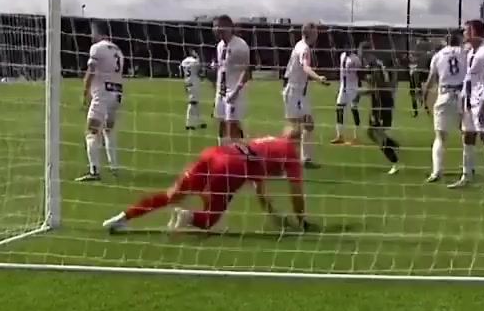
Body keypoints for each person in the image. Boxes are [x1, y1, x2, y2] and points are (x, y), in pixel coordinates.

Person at [101, 127, 315, 233]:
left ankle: (122, 218)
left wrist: (273, 214)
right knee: (210, 219)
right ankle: (187, 216)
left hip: (214, 153)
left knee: (171, 195)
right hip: (232, 168)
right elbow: (295, 190)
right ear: (296, 142)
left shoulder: (262, 143)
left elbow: (260, 190)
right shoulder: (290, 152)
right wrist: (302, 220)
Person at [448, 20, 484, 193]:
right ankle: (467, 175)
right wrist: (464, 96)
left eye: (466, 30)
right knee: (467, 136)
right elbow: (469, 77)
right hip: (470, 100)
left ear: (474, 32)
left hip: (483, 101)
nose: (463, 34)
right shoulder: (471, 52)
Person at [76, 21, 124, 181]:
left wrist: (84, 93)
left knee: (91, 131)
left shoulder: (97, 48)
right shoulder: (117, 50)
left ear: (98, 32)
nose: (91, 35)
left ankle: (94, 171)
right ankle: (115, 167)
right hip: (116, 93)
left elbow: (91, 71)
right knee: (109, 130)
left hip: (102, 94)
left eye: (93, 32)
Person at [283, 23, 330, 168]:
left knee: (308, 125)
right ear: (309, 33)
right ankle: (283, 159)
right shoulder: (304, 48)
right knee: (295, 130)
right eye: (315, 32)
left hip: (300, 93)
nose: (317, 36)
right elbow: (305, 67)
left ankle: (305, 159)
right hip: (294, 92)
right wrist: (318, 77)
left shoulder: (300, 45)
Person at [423, 32, 467, 182]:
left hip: (444, 94)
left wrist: (424, 99)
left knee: (440, 136)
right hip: (463, 94)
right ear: (460, 40)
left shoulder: (438, 55)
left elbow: (430, 80)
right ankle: (468, 170)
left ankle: (437, 171)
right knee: (466, 134)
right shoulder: (466, 52)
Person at [213, 15, 252, 144]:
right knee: (221, 122)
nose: (217, 29)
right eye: (215, 26)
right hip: (221, 91)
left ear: (229, 27)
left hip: (234, 91)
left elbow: (246, 71)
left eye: (220, 26)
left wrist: (236, 91)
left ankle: (241, 155)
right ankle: (222, 153)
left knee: (233, 124)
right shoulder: (220, 46)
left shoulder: (240, 46)